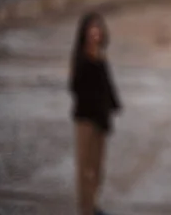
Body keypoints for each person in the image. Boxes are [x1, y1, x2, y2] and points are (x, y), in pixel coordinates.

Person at [69, 12, 122, 215]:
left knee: (98, 168)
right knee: (85, 168)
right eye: (92, 28)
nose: (95, 32)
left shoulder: (101, 55)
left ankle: (93, 204)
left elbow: (107, 85)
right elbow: (75, 87)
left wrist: (114, 105)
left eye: (98, 28)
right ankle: (86, 209)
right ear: (84, 32)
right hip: (85, 119)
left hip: (101, 118)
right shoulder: (80, 56)